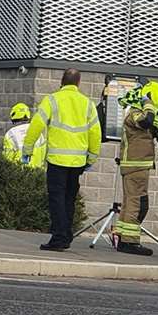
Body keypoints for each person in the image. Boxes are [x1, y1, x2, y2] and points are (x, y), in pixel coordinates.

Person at [22, 69, 102, 252]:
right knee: (69, 199)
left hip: (58, 159)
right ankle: (66, 235)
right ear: (78, 83)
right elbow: (95, 132)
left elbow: (36, 125)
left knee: (56, 198)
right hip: (77, 162)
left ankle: (59, 237)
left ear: (62, 81)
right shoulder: (87, 104)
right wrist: (92, 156)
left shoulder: (52, 100)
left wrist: (28, 148)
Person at [112, 81, 158, 257]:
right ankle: (130, 242)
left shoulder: (138, 113)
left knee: (129, 203)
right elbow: (146, 121)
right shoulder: (135, 113)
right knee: (138, 204)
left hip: (137, 165)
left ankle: (121, 236)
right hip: (135, 165)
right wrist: (148, 102)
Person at [1, 103, 46, 167]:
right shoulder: (37, 131)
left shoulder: (10, 134)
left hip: (20, 174)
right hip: (37, 172)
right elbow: (43, 154)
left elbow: (8, 157)